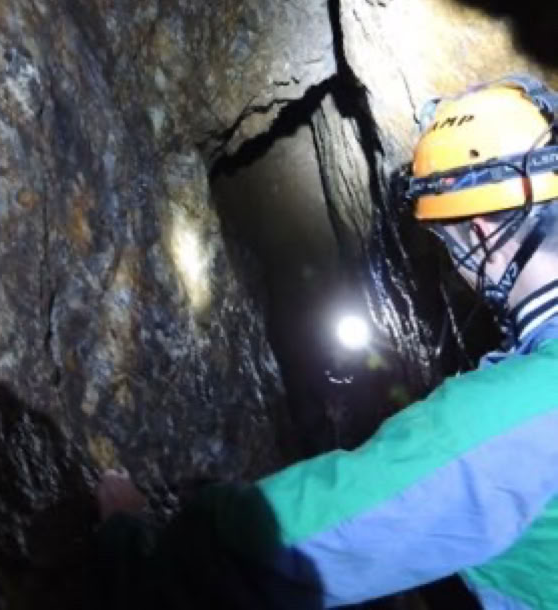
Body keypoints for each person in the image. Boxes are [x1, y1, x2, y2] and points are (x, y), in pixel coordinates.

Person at [96, 74, 558, 609]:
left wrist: (135, 542)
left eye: (446, 241)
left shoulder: (513, 413)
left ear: (481, 232)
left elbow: (285, 541)